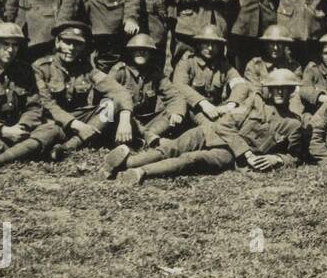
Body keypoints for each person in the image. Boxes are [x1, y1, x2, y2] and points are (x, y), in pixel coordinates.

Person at [107, 69, 304, 184]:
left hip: (228, 153)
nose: (279, 92)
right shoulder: (254, 102)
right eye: (275, 88)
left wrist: (276, 158)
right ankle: (127, 164)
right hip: (211, 131)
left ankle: (141, 173)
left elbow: (295, 154)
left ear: (291, 91)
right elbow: (225, 125)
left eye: (284, 89)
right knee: (172, 147)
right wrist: (248, 153)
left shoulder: (293, 123)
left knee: (193, 158)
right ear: (268, 90)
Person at [0, 22, 62, 171]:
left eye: (15, 45)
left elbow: (34, 106)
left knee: (52, 129)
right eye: (5, 44)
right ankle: (24, 151)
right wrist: (3, 130)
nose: (10, 50)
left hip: (20, 132)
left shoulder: (25, 70)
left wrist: (21, 128)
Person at [33, 20, 135, 161]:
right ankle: (79, 141)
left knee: (110, 104)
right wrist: (74, 123)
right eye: (67, 42)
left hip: (81, 120)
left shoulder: (87, 69)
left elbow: (119, 91)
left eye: (77, 44)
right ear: (57, 42)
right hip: (53, 121)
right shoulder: (41, 67)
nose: (71, 48)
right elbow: (46, 104)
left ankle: (70, 146)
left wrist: (125, 117)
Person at [167, 24, 250, 128]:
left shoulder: (223, 65)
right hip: (193, 109)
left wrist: (231, 104)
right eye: (206, 43)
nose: (210, 48)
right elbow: (179, 85)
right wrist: (203, 103)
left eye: (214, 44)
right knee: (213, 129)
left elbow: (240, 84)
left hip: (215, 109)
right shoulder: (188, 62)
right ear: (199, 44)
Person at [107, 33, 173, 146]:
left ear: (151, 54)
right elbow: (107, 97)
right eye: (137, 49)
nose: (141, 52)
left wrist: (176, 112)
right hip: (124, 119)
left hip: (147, 120)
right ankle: (148, 138)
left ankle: (145, 136)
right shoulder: (120, 71)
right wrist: (124, 116)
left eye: (145, 50)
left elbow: (173, 93)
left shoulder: (155, 72)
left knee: (172, 113)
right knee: (108, 112)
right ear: (130, 52)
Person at [241, 25, 303, 95]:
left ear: (285, 44)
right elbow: (255, 94)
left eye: (279, 43)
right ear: (266, 44)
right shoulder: (254, 66)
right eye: (271, 43)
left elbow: (296, 94)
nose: (275, 48)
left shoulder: (294, 66)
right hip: (262, 104)